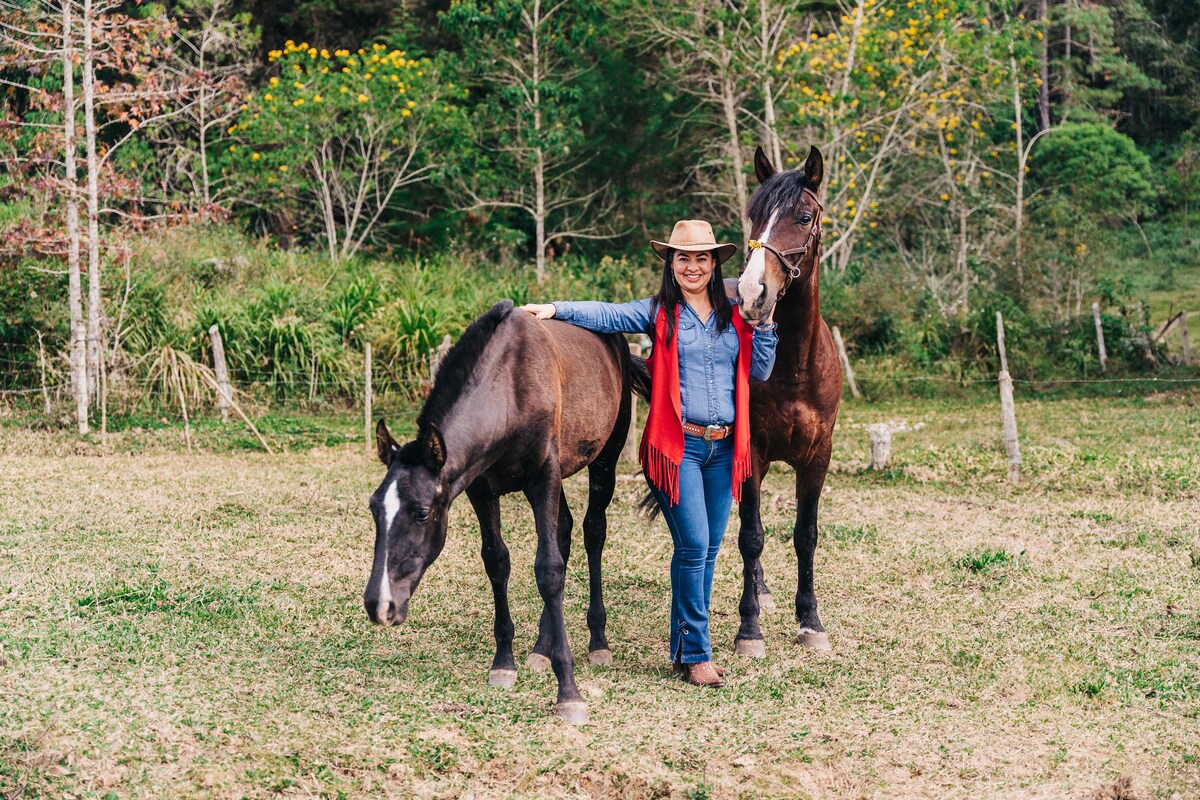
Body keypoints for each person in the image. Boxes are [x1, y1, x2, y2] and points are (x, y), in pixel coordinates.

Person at [520, 219, 777, 688]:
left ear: (715, 263)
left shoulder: (737, 312)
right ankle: (697, 654)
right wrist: (555, 309)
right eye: (683, 258)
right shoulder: (660, 312)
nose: (693, 266)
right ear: (671, 264)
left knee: (705, 550)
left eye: (701, 258)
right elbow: (607, 315)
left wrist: (765, 324)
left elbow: (760, 369)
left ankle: (684, 647)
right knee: (695, 545)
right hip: (677, 446)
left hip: (724, 449)